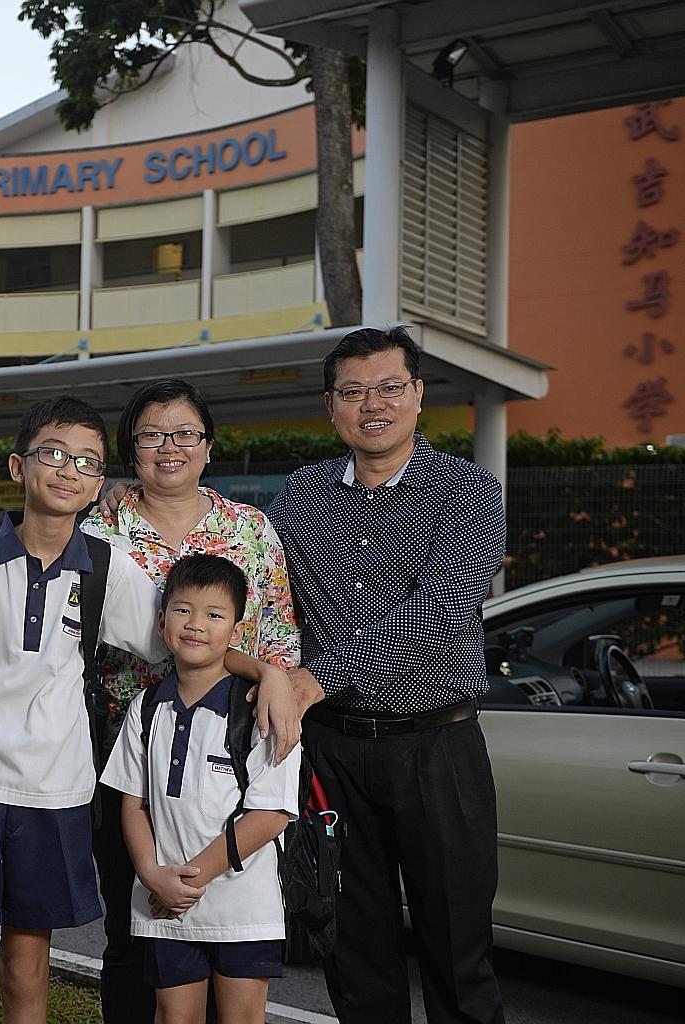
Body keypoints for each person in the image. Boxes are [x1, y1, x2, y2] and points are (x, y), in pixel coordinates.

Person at [0, 396, 293, 1024]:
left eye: (85, 460)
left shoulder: (108, 568)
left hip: (57, 794)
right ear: (17, 466)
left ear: (100, 481)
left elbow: (188, 637)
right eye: (51, 454)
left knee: (27, 974)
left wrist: (266, 671)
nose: (66, 469)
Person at [267, 325, 507, 1024]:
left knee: (458, 954)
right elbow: (249, 572)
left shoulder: (467, 490)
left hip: (439, 749)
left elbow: (439, 612)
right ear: (331, 405)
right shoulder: (304, 494)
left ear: (418, 395)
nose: (373, 404)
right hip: (333, 754)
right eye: (353, 391)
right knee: (355, 958)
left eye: (389, 387)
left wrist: (318, 676)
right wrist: (133, 510)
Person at [81, 378, 300, 1022]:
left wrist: (276, 679)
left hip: (232, 749)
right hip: (132, 746)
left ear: (208, 447)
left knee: (229, 934)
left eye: (184, 434)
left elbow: (278, 634)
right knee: (133, 930)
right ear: (131, 451)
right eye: (151, 436)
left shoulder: (251, 529)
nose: (168, 447)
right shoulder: (99, 528)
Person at [101, 553, 301, 1024]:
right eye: (183, 610)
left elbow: (271, 815)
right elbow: (132, 802)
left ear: (236, 630)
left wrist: (184, 881)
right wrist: (152, 874)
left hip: (241, 907)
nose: (196, 625)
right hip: (163, 905)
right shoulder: (147, 708)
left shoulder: (261, 711)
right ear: (162, 619)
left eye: (214, 615)